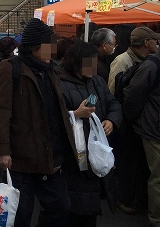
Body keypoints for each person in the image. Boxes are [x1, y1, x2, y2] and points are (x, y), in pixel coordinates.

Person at [0, 18, 76, 227]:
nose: (53, 49)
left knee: (61, 207)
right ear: (35, 47)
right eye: (49, 44)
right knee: (21, 212)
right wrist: (1, 149)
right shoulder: (10, 69)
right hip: (21, 153)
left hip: (51, 151)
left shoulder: (53, 69)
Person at [59, 41, 122, 226]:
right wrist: (76, 114)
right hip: (73, 155)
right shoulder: (59, 83)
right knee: (76, 207)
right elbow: (50, 118)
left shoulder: (97, 81)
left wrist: (111, 120)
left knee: (90, 206)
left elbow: (113, 103)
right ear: (76, 61)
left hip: (97, 149)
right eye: (89, 62)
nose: (94, 67)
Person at [108, 26, 158, 213]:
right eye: (154, 40)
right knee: (128, 162)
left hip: (139, 121)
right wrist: (121, 117)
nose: (157, 42)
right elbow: (112, 92)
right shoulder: (123, 61)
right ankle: (125, 199)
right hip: (126, 121)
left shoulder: (146, 61)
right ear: (146, 43)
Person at [123, 42, 160, 226]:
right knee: (158, 176)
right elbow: (133, 94)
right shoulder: (151, 65)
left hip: (152, 126)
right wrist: (131, 119)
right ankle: (156, 217)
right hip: (153, 129)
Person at [108, 26, 160, 93]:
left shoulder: (149, 61)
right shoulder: (121, 61)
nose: (156, 43)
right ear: (146, 43)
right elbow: (113, 90)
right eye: (154, 39)